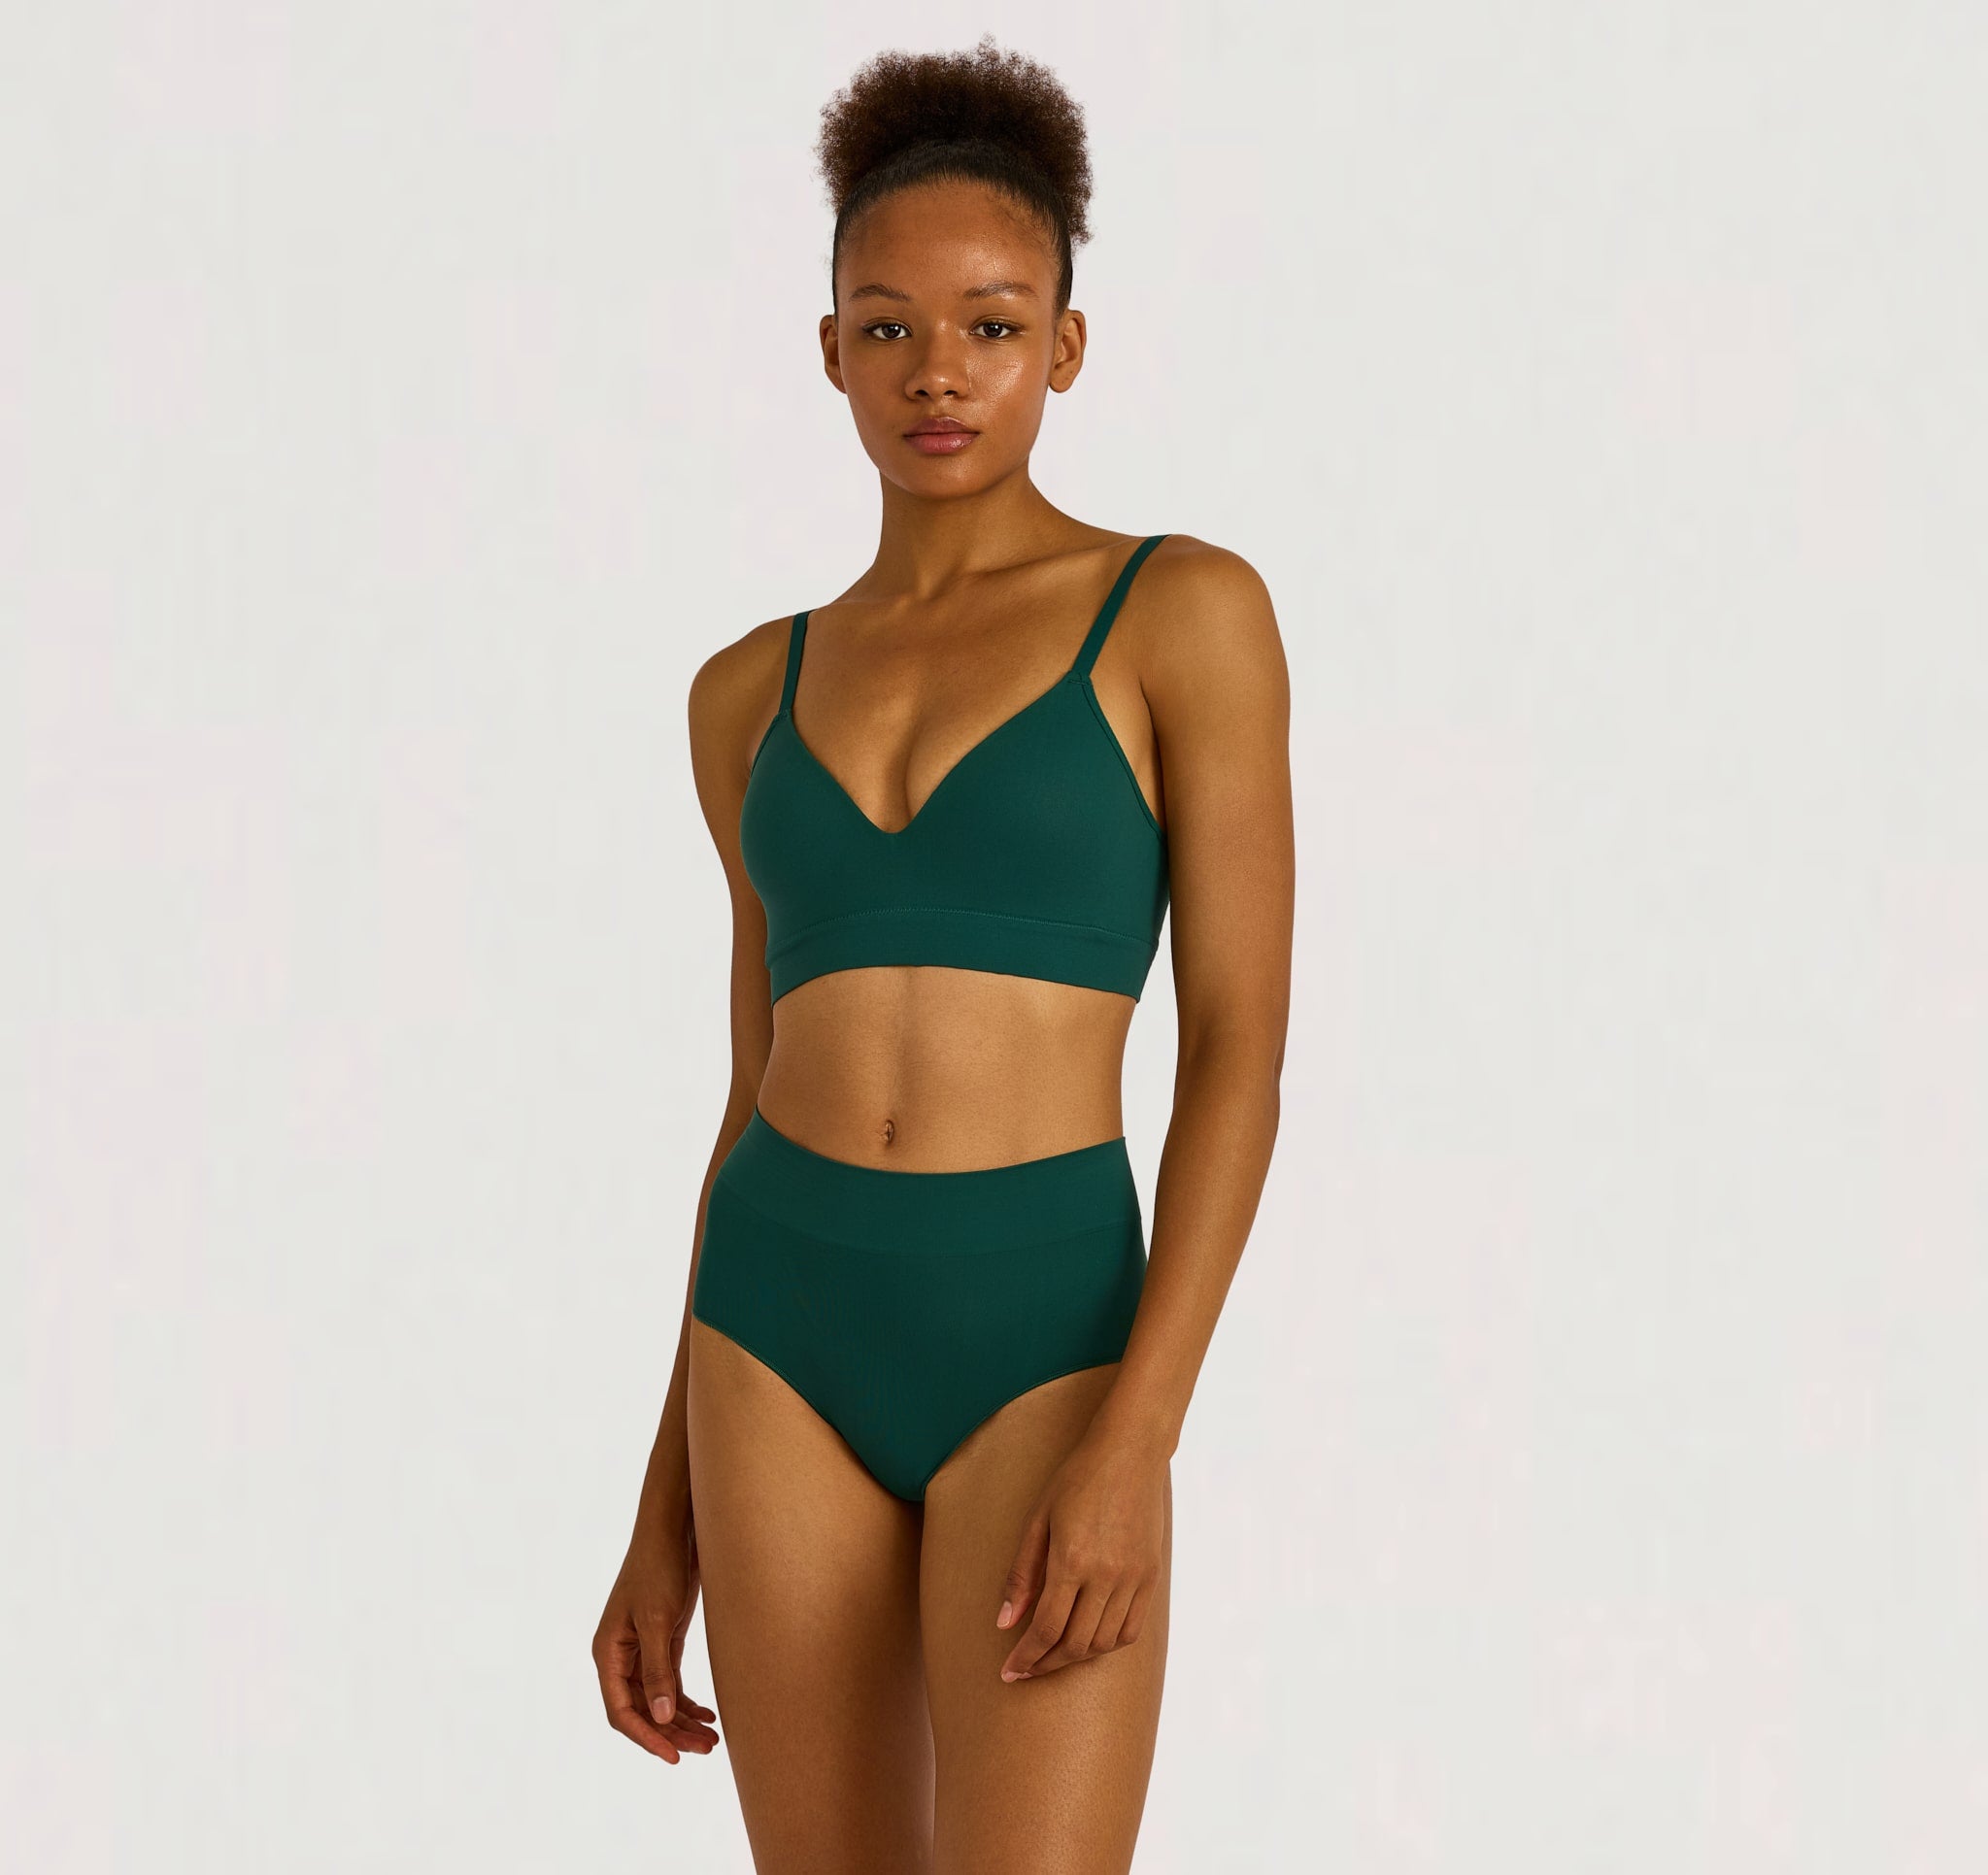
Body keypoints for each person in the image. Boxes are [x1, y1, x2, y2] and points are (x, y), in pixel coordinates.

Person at [593, 36, 1293, 1873]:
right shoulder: (745, 695)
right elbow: (749, 1096)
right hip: (774, 1336)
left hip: (1046, 1337)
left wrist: (1141, 1435)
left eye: (992, 325)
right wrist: (662, 1514)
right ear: (829, 348)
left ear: (1067, 345)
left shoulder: (1184, 614)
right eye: (888, 327)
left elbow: (1237, 1048)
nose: (938, 372)